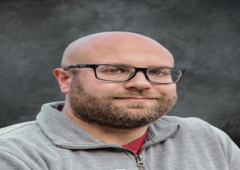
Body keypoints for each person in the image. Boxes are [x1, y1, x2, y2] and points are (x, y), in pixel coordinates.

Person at [0, 32, 239, 170]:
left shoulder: (205, 136)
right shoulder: (14, 154)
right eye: (115, 70)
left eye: (158, 72)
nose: (142, 83)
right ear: (65, 80)